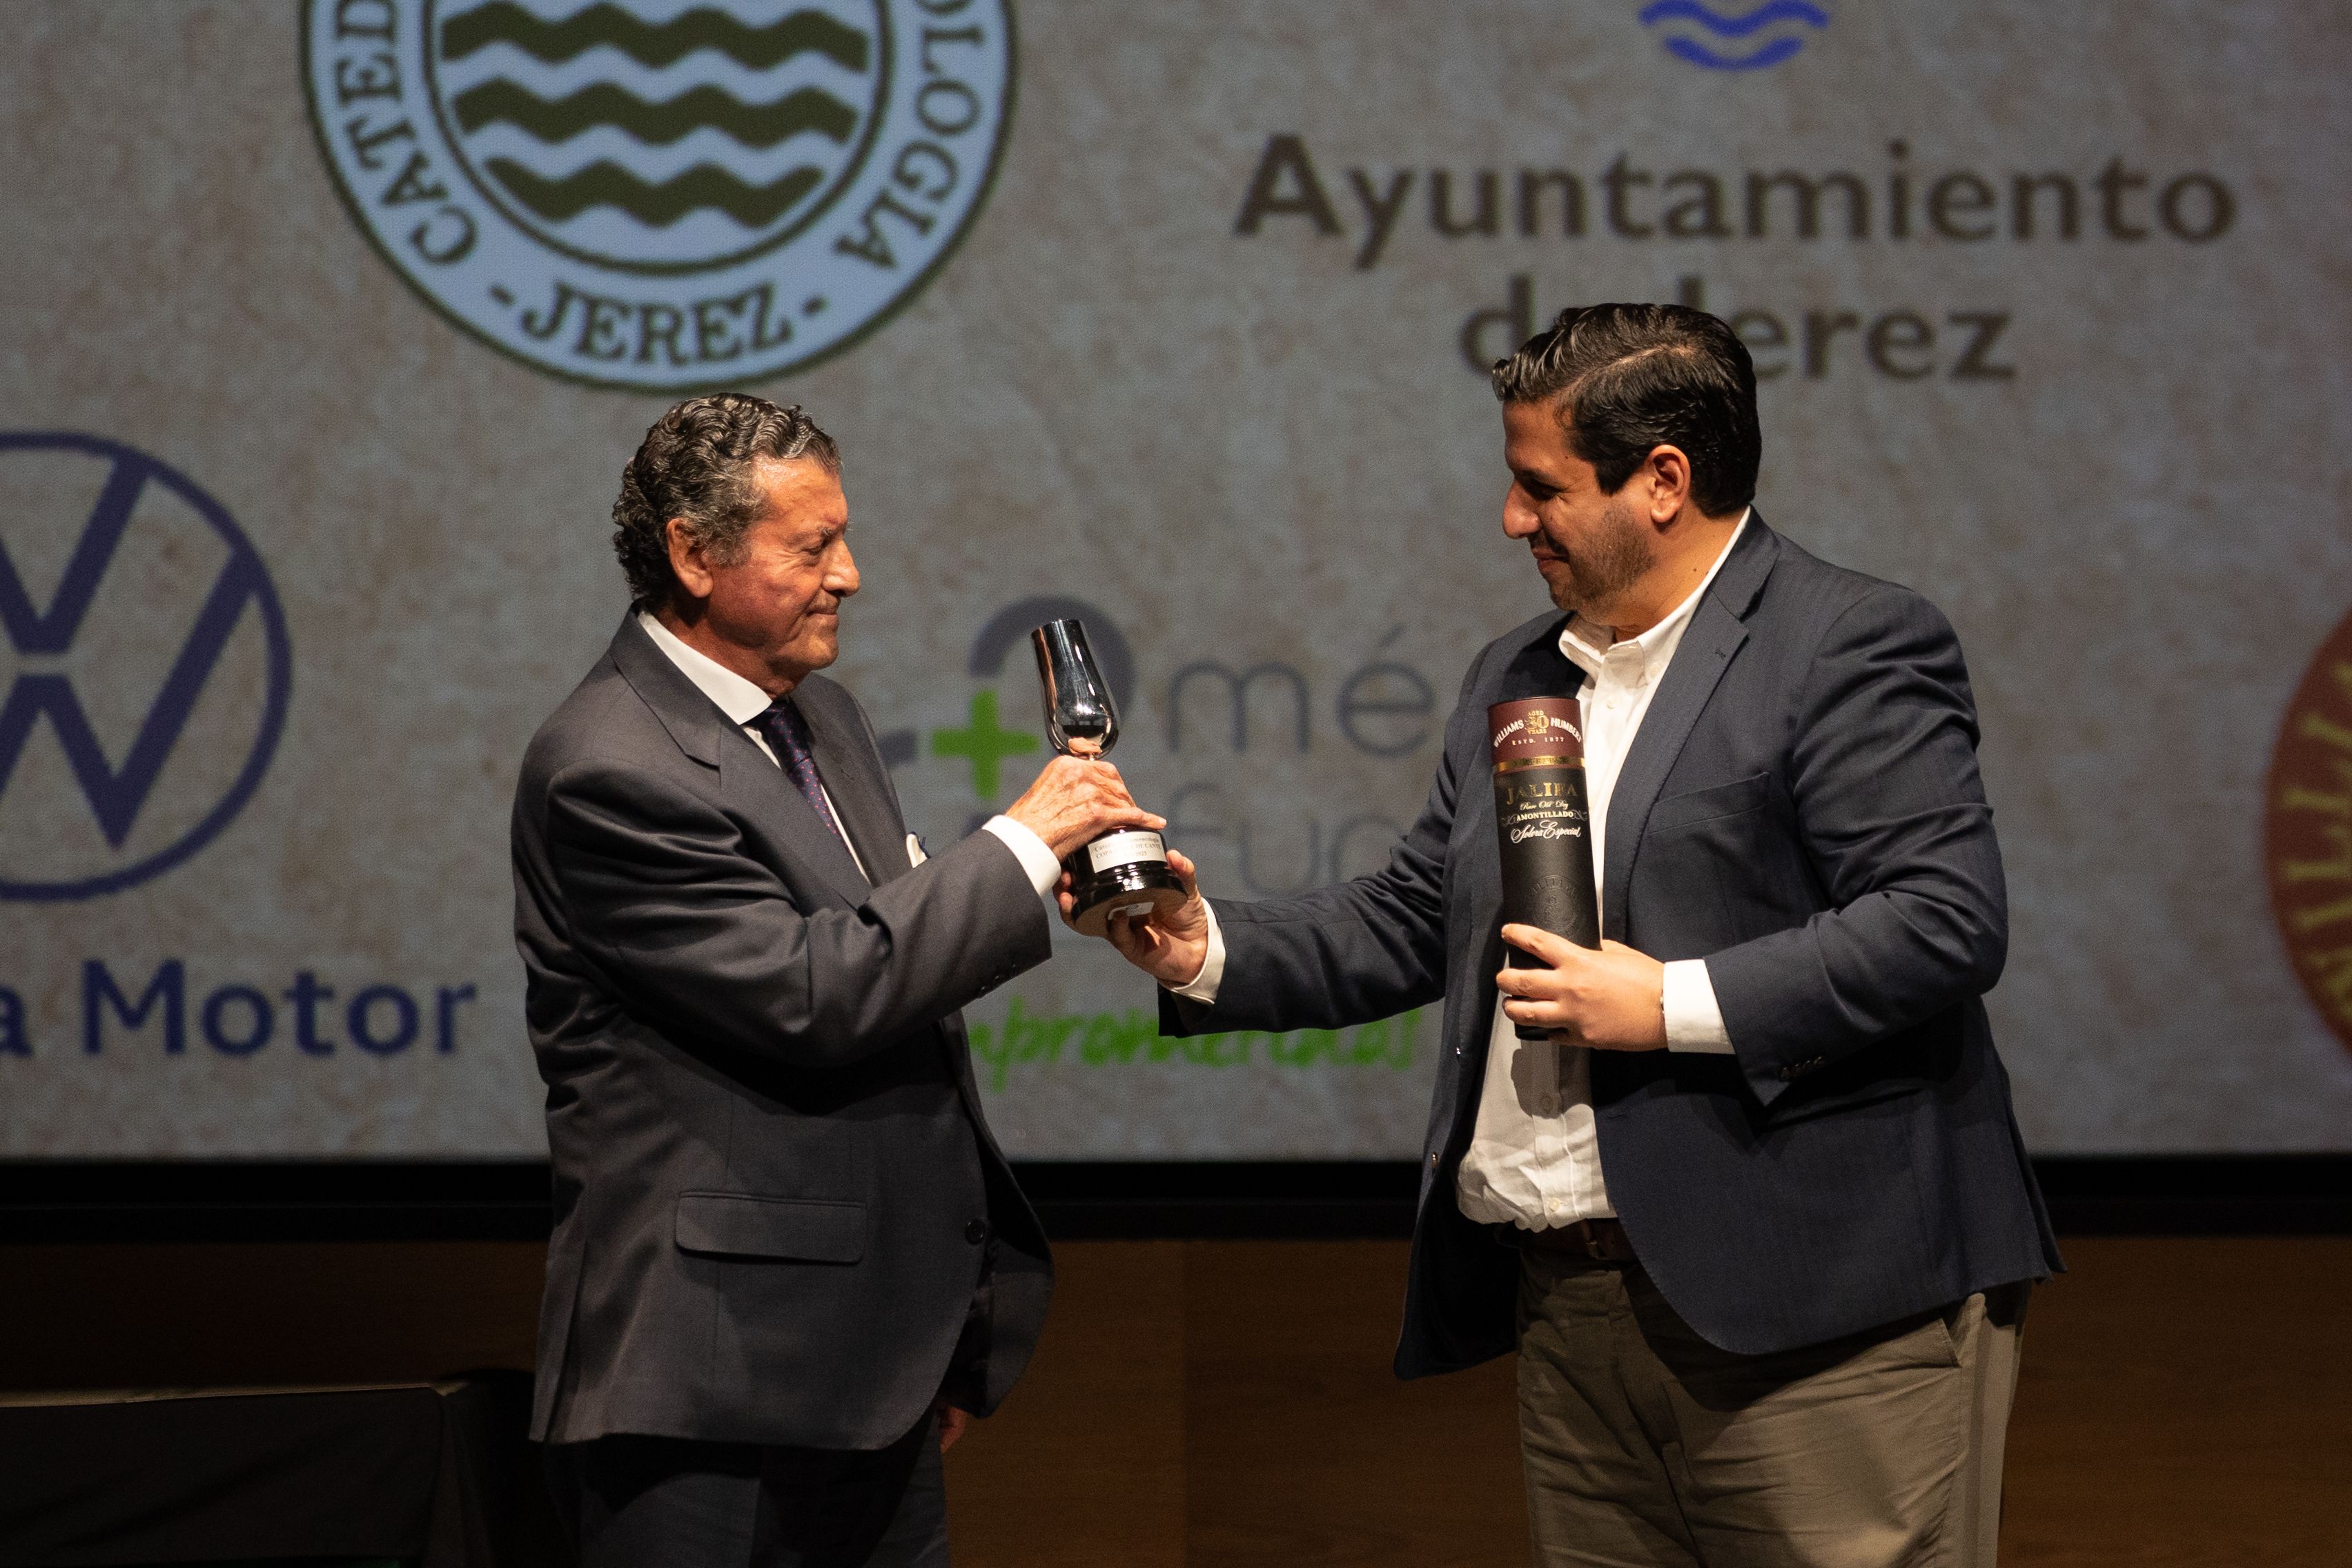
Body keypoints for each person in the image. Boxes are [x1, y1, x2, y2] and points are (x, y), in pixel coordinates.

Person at [1087, 305, 2061, 1567]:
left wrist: (1665, 1005)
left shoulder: (1844, 642)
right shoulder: (1519, 672)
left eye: (1538, 485)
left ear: (1664, 480)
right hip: (1574, 1310)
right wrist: (1198, 943)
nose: (1510, 518)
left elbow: (1943, 920)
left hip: (1821, 1313)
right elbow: (1420, 918)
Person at [512, 393, 1159, 1566]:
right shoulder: (610, 766)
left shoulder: (825, 722)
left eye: (844, 538)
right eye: (813, 546)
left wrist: (1041, 891)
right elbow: (814, 996)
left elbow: (893, 962)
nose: (850, 574)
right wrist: (1016, 846)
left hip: (870, 1375)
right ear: (695, 555)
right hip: (713, 1386)